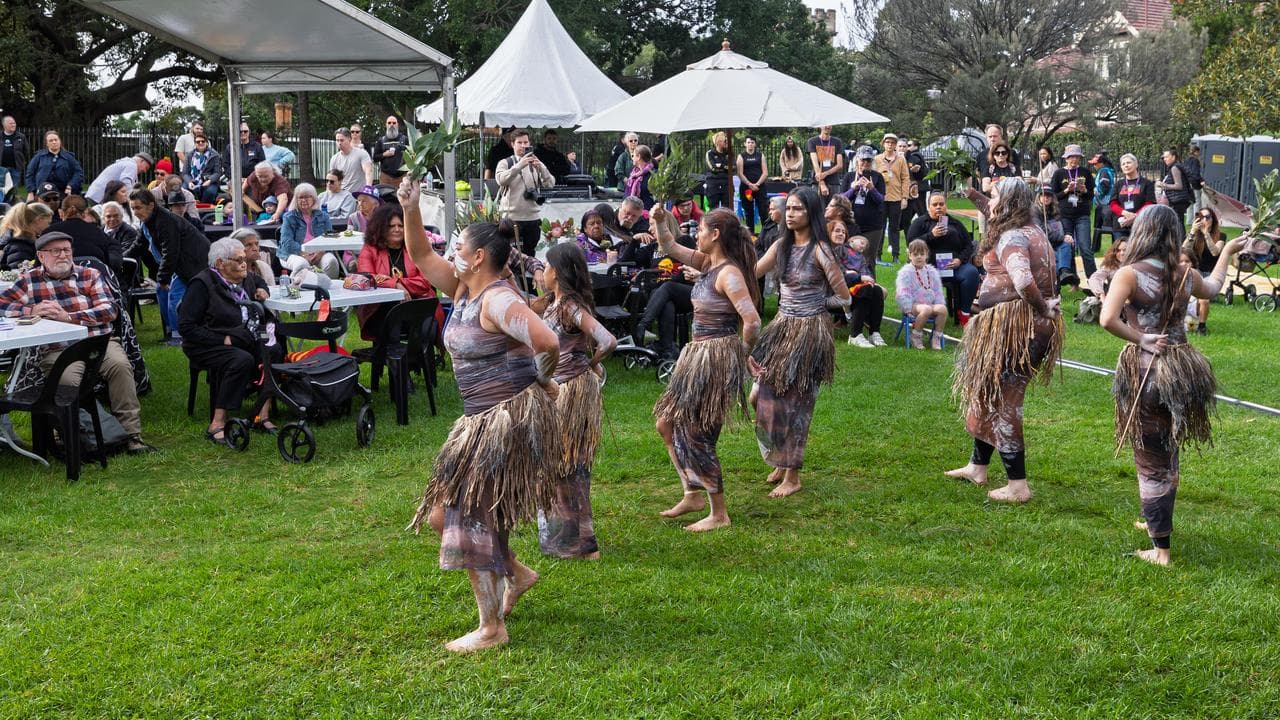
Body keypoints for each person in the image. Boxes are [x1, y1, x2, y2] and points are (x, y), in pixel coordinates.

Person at [400, 176, 562, 654]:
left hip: (503, 421)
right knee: (444, 515)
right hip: (477, 420)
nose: (450, 250)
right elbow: (420, 256)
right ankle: (517, 572)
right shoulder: (464, 290)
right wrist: (410, 208)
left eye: (459, 245)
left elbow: (548, 341)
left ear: (477, 258)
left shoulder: (496, 298)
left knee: (466, 518)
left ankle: (491, 628)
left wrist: (542, 378)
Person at [1100, 205, 1246, 566]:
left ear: (1142, 233)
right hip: (1182, 372)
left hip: (1149, 373)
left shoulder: (1129, 274)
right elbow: (1212, 289)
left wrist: (1141, 338)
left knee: (1150, 457)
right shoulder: (1185, 273)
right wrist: (1226, 252)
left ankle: (1160, 549)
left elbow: (1106, 319)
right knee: (1168, 448)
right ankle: (1156, 520)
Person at [946, 178, 1063, 503]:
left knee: (1006, 399)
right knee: (989, 392)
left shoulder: (1012, 236)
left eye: (995, 195)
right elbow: (989, 207)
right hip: (1024, 325)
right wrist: (970, 190)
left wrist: (1042, 306)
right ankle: (977, 467)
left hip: (1018, 327)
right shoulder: (1031, 229)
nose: (989, 200)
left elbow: (1023, 280)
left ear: (1009, 202)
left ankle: (1018, 485)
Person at [650, 204, 762, 531]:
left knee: (698, 432)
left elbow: (752, 321)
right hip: (696, 355)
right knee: (666, 424)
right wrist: (658, 220)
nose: (696, 234)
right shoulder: (707, 263)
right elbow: (669, 246)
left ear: (715, 235)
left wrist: (740, 352)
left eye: (700, 229)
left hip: (714, 357)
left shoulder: (728, 273)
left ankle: (719, 513)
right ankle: (691, 491)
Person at [0, 230, 155, 453]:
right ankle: (71, 435)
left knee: (120, 367)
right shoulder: (29, 280)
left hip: (98, 342)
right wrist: (31, 309)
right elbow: (2, 304)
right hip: (58, 349)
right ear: (41, 256)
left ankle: (132, 435)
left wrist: (68, 318)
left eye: (66, 250)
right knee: (68, 384)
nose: (63, 255)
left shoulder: (89, 274)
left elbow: (108, 310)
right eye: (56, 251)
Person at [750, 187, 851, 498]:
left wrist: (815, 306)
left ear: (811, 213)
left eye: (797, 209)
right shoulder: (781, 245)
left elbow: (844, 297)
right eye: (788, 209)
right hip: (781, 328)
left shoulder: (820, 250)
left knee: (796, 403)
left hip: (809, 333)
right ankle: (780, 459)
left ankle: (792, 475)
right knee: (760, 395)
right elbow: (752, 270)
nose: (790, 214)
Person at [531, 243, 617, 557]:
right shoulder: (553, 303)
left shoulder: (569, 306)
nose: (543, 270)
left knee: (571, 466)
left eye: (546, 265)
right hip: (559, 389)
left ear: (558, 272)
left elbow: (608, 340)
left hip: (570, 391)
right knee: (559, 465)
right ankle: (565, 538)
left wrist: (590, 363)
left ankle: (583, 542)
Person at [180, 237, 280, 447]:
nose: (244, 263)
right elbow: (187, 328)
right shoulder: (202, 284)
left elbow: (258, 281)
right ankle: (217, 423)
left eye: (244, 258)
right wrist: (223, 339)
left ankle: (261, 415)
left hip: (242, 337)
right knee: (241, 360)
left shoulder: (244, 277)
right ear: (220, 263)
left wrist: (264, 290)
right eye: (238, 260)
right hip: (207, 344)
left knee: (274, 350)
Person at [129, 188, 210, 345]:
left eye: (138, 207)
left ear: (151, 205)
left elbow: (170, 252)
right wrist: (121, 258)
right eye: (132, 208)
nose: (135, 212)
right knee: (162, 291)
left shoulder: (165, 221)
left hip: (193, 263)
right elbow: (138, 245)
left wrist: (163, 278)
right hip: (179, 264)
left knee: (174, 296)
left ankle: (180, 335)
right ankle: (171, 331)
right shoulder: (148, 221)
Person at [354, 202, 446, 340]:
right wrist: (395, 285)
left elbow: (425, 282)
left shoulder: (416, 248)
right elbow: (367, 278)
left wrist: (397, 283)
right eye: (391, 226)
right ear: (380, 228)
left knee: (425, 326)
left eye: (401, 225)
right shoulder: (369, 249)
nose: (397, 229)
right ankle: (404, 360)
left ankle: (416, 360)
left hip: (417, 304)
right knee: (392, 319)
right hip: (380, 308)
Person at [906, 191, 980, 320]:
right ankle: (926, 311)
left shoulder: (955, 223)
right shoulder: (920, 223)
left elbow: (968, 246)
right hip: (928, 267)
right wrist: (931, 235)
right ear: (929, 207)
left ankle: (964, 312)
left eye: (941, 204)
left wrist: (960, 260)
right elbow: (911, 244)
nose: (938, 207)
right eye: (935, 204)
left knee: (971, 272)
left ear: (946, 206)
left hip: (953, 267)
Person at [495, 130, 554, 256]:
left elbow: (550, 184)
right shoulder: (506, 163)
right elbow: (501, 180)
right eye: (519, 142)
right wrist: (519, 166)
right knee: (509, 255)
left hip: (532, 218)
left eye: (525, 142)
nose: (523, 145)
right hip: (511, 219)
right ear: (512, 144)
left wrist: (542, 168)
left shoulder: (535, 162)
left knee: (529, 254)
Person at [830, 221, 886, 348]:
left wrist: (868, 280)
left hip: (852, 288)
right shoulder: (829, 251)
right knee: (864, 290)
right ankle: (855, 335)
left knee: (876, 290)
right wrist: (858, 277)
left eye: (843, 232)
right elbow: (837, 275)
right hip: (831, 293)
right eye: (837, 231)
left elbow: (865, 271)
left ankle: (874, 332)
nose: (841, 234)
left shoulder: (860, 257)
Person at [1050, 144, 1095, 279]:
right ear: (1066, 158)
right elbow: (1053, 196)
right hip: (1064, 215)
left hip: (1082, 214)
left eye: (1076, 157)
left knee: (1085, 248)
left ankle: (1093, 280)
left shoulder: (1086, 172)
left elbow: (1091, 195)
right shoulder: (1059, 173)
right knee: (1068, 246)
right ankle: (1072, 279)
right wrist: (1067, 190)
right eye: (1071, 157)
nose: (1074, 160)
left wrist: (1084, 190)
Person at [895, 239, 949, 350]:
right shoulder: (906, 272)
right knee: (926, 310)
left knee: (942, 309)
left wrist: (938, 303)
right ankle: (916, 335)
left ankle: (936, 336)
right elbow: (903, 291)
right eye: (915, 254)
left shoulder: (932, 272)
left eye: (922, 254)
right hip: (914, 305)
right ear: (910, 255)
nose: (919, 257)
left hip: (929, 303)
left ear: (927, 255)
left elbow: (938, 291)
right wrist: (907, 308)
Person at [841, 146, 887, 277]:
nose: (866, 163)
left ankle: (872, 289)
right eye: (863, 160)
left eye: (868, 161)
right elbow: (841, 199)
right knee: (849, 258)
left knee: (869, 260)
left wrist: (871, 188)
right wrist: (853, 189)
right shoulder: (849, 177)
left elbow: (881, 200)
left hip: (873, 226)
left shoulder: (877, 177)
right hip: (852, 224)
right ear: (857, 160)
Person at [277, 183, 337, 278]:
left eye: (308, 197)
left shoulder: (323, 216)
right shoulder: (289, 217)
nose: (304, 200)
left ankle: (327, 287)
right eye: (300, 197)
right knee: (302, 264)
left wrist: (320, 252)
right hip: (292, 252)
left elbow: (329, 238)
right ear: (296, 200)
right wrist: (303, 252)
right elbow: (287, 242)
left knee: (331, 261)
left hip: (318, 252)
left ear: (314, 199)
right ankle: (296, 288)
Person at [1183, 207, 1226, 335]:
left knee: (1204, 300)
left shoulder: (1221, 236)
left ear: (1213, 220)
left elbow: (1215, 252)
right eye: (1202, 217)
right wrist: (1192, 233)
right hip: (1196, 271)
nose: (1205, 220)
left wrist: (1206, 233)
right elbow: (1183, 251)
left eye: (1208, 217)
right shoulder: (1194, 234)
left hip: (1211, 275)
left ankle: (1202, 326)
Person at [50, 195, 119, 274]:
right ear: (85, 212)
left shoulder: (49, 233)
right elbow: (110, 265)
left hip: (55, 284)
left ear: (61, 212)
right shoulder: (99, 234)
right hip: (95, 283)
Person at [875, 133, 911, 264]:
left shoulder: (901, 160)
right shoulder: (877, 159)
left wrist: (905, 197)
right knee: (880, 226)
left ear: (896, 145)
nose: (890, 145)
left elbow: (905, 178)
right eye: (887, 142)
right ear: (883, 143)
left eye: (892, 143)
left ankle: (895, 255)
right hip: (880, 198)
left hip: (896, 197)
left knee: (894, 227)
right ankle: (877, 254)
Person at [24, 131, 84, 201]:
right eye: (51, 140)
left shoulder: (69, 157)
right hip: (42, 193)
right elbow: (30, 174)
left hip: (63, 193)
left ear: (60, 141)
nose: (54, 142)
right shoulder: (38, 157)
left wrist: (70, 186)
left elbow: (78, 173)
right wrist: (31, 192)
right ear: (46, 143)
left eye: (56, 140)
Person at [1034, 186, 1073, 289]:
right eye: (1043, 195)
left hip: (1057, 241)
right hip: (1042, 243)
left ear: (1052, 197)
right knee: (1055, 257)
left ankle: (1065, 272)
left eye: (1048, 195)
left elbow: (1064, 224)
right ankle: (1056, 287)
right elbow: (1041, 231)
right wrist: (1061, 237)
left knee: (1066, 245)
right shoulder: (1034, 211)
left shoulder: (1056, 209)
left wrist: (1068, 234)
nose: (1046, 198)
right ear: (1038, 197)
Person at [1110, 153, 1156, 238]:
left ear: (1136, 164)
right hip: (1121, 225)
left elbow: (1149, 203)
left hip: (1141, 224)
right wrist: (1125, 213)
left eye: (1128, 162)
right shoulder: (1118, 184)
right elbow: (1113, 204)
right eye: (1123, 164)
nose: (1126, 165)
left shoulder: (1147, 183)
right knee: (1123, 250)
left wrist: (1135, 216)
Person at [0, 202, 54, 269]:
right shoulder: (20, 245)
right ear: (39, 220)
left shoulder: (26, 241)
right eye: (48, 222)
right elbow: (19, 274)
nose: (49, 226)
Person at [85, 153, 153, 204]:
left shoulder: (126, 163)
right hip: (99, 197)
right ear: (141, 161)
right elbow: (125, 181)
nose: (144, 171)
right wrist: (132, 198)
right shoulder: (132, 165)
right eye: (146, 167)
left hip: (95, 194)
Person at [101, 202, 143, 280]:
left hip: (125, 274)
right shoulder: (99, 231)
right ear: (103, 218)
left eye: (116, 215)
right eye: (108, 216)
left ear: (122, 216)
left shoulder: (130, 232)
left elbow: (123, 255)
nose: (112, 219)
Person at [736, 136, 769, 231]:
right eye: (748, 142)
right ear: (745, 144)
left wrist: (757, 184)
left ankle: (766, 233)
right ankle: (751, 234)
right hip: (747, 189)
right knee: (748, 211)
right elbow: (740, 173)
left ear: (755, 144)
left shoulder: (760, 155)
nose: (750, 144)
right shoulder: (741, 156)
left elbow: (765, 172)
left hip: (760, 188)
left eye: (752, 142)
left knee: (763, 211)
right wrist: (750, 184)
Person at [329, 128, 374, 194]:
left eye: (342, 140)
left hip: (358, 195)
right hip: (341, 195)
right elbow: (331, 179)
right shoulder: (334, 158)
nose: (339, 143)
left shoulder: (361, 153)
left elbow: (368, 171)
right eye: (337, 140)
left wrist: (368, 187)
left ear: (349, 139)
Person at [806, 126, 844, 201]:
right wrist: (822, 183)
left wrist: (826, 173)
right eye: (825, 124)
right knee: (818, 209)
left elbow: (840, 165)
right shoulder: (812, 141)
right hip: (818, 183)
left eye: (830, 124)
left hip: (834, 182)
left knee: (834, 209)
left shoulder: (837, 142)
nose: (827, 126)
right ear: (820, 126)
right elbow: (815, 164)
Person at [1156, 147, 1193, 223]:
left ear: (1173, 157)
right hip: (1178, 200)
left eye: (1166, 157)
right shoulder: (1175, 167)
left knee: (1178, 223)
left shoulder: (1174, 168)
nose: (1164, 159)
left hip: (1178, 201)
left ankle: (1181, 235)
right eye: (1164, 157)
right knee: (1177, 222)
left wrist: (1163, 185)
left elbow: (1178, 186)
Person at [182, 135, 223, 203]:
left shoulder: (215, 155)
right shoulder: (189, 155)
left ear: (207, 143)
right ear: (195, 144)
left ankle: (205, 210)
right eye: (198, 142)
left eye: (203, 141)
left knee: (210, 192)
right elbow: (185, 173)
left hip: (209, 180)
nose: (200, 143)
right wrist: (189, 182)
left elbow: (217, 172)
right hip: (192, 180)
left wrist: (209, 181)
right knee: (184, 190)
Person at [1087, 237, 1127, 304]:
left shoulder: (1138, 264)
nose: (1122, 253)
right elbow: (1094, 278)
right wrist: (1102, 296)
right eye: (1118, 250)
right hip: (1115, 300)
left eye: (1125, 250)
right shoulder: (1111, 265)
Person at [371, 115, 408, 186]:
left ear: (397, 125)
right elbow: (375, 158)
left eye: (394, 123)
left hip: (402, 177)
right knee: (385, 197)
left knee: (403, 197)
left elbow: (412, 155)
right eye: (389, 123)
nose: (391, 125)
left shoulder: (405, 139)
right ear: (386, 125)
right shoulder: (381, 140)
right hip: (386, 177)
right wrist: (384, 154)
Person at [901, 137, 929, 228]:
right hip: (916, 188)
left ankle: (926, 227)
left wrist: (911, 169)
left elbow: (915, 168)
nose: (906, 148)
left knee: (921, 211)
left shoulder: (915, 156)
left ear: (916, 146)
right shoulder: (914, 155)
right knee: (912, 211)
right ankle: (902, 226)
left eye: (909, 145)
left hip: (917, 188)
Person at [2, 116, 30, 202]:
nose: (13, 124)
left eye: (14, 123)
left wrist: (22, 161)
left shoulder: (21, 136)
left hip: (15, 168)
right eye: (11, 123)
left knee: (13, 189)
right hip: (1, 169)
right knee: (2, 188)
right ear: (4, 125)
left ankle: (11, 206)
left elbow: (26, 151)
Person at [703, 132, 733, 210]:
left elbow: (733, 168)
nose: (727, 143)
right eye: (725, 141)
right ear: (718, 142)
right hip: (713, 184)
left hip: (726, 184)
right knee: (713, 209)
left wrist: (720, 166)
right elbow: (713, 168)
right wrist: (725, 167)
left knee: (727, 209)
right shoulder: (710, 153)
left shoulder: (729, 154)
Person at [1089, 152, 1117, 235]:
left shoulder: (1104, 172)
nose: (1094, 166)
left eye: (1095, 164)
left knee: (1099, 227)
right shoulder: (1107, 171)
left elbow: (1104, 186)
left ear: (1102, 163)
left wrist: (1096, 193)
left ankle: (1095, 246)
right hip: (1106, 202)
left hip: (1104, 203)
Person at [624, 145, 655, 209]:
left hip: (646, 211)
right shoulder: (634, 173)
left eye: (633, 155)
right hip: (632, 209)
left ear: (638, 157)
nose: (632, 158)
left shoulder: (652, 174)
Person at [1184, 144, 1204, 215]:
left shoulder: (1186, 160)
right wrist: (1201, 180)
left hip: (1187, 182)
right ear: (1195, 152)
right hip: (1195, 183)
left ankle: (1189, 220)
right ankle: (1196, 218)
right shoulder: (1196, 161)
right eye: (1198, 152)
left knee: (1190, 201)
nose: (1199, 154)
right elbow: (1196, 173)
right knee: (1197, 201)